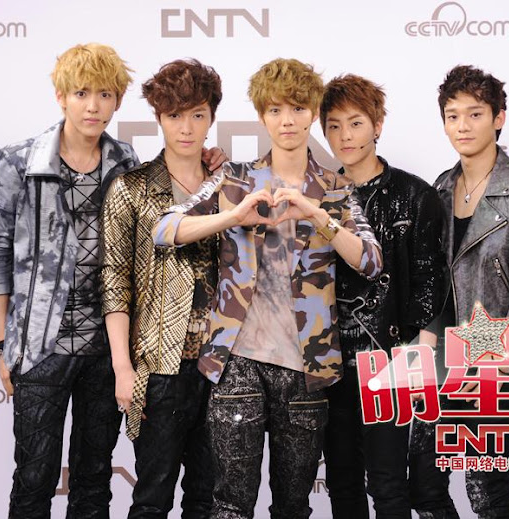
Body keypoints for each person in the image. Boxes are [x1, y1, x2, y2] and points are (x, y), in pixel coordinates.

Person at [152, 57, 383, 519]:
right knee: (229, 505)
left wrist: (316, 214)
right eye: (275, 110)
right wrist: (232, 217)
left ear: (312, 113)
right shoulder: (234, 179)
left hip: (306, 366)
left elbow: (372, 261)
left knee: (293, 506)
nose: (287, 120)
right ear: (262, 116)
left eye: (297, 108)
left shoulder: (335, 188)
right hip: (237, 361)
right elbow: (164, 230)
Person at [0, 43, 139, 518]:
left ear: (117, 101)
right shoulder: (19, 161)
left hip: (104, 349)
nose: (93, 106)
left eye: (105, 94)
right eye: (82, 93)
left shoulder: (125, 162)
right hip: (38, 347)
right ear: (61, 96)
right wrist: (2, 344)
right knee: (34, 479)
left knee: (93, 481)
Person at [409, 65, 509, 519]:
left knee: (485, 488)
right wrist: (424, 354)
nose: (463, 126)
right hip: (441, 357)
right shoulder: (439, 188)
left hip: (494, 357)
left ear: (498, 118)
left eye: (475, 114)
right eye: (453, 116)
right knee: (423, 486)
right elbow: (433, 280)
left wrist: (498, 359)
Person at [101, 59, 225, 518]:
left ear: (211, 117)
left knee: (209, 499)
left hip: (222, 364)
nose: (186, 128)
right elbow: (115, 281)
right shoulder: (130, 189)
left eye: (197, 115)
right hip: (157, 366)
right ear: (159, 117)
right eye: (175, 116)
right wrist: (122, 366)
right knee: (152, 498)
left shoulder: (230, 186)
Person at [319, 73, 443, 518]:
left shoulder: (415, 195)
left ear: (377, 125)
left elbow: (430, 280)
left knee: (389, 483)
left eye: (355, 123)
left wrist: (419, 356)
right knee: (342, 483)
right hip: (330, 363)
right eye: (334, 126)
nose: (345, 136)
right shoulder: (319, 195)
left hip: (390, 359)